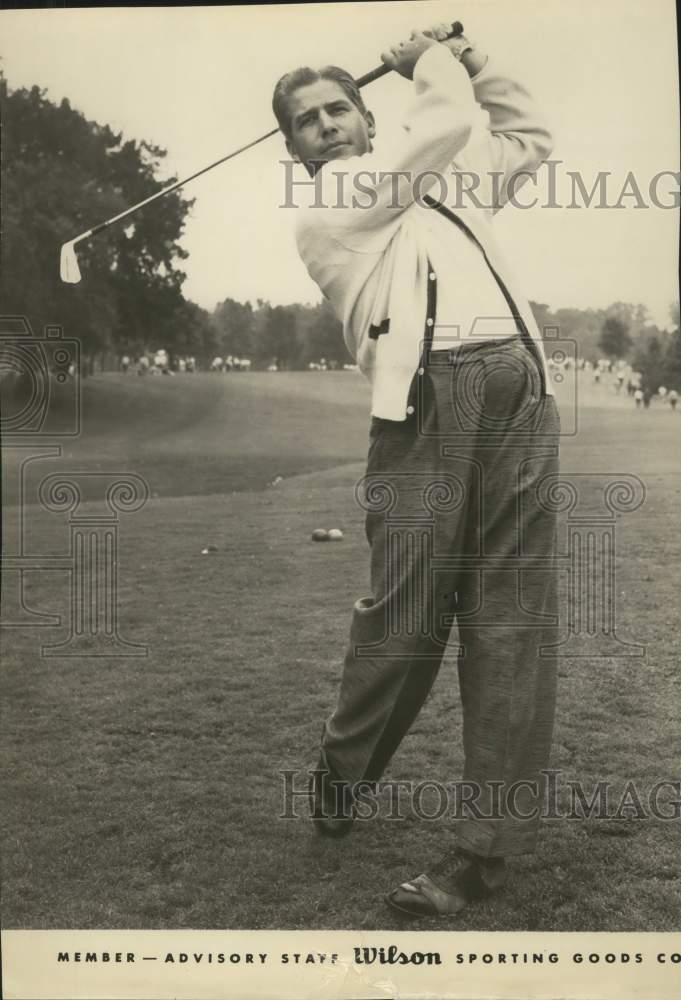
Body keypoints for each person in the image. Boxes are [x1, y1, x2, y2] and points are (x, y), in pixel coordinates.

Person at [275, 21, 559, 918]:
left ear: (365, 117)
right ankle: (345, 767)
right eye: (305, 121)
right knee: (404, 623)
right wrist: (422, 63)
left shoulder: (439, 187)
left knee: (511, 624)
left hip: (517, 389)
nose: (325, 125)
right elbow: (435, 127)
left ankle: (483, 850)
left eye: (337, 109)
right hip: (425, 408)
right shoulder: (334, 204)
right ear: (294, 148)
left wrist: (476, 61)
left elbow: (527, 140)